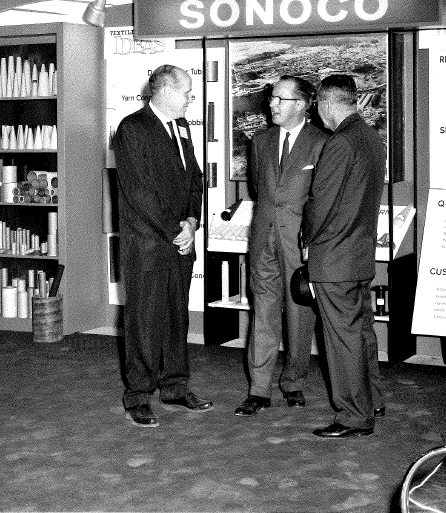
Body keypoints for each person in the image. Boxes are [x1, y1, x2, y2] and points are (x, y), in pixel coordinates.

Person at [113, 64, 212, 427]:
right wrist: (177, 229)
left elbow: (195, 180)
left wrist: (193, 221)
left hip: (179, 242)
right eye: (187, 92)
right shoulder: (133, 129)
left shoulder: (181, 127)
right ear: (166, 92)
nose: (191, 98)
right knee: (144, 320)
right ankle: (138, 394)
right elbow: (140, 192)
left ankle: (174, 385)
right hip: (149, 246)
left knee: (176, 317)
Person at [234, 76, 328, 417]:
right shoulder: (260, 141)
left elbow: (321, 199)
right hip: (263, 241)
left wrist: (310, 241)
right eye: (272, 98)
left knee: (300, 314)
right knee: (263, 313)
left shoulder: (322, 142)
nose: (271, 104)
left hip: (300, 244)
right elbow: (259, 190)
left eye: (279, 99)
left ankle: (293, 382)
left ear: (302, 105)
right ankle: (258, 389)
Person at [301, 74, 386, 438]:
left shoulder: (339, 143)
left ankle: (353, 416)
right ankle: (372, 400)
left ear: (326, 103)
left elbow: (321, 203)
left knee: (342, 339)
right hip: (359, 254)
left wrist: (307, 239)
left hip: (334, 257)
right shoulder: (370, 138)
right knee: (362, 332)